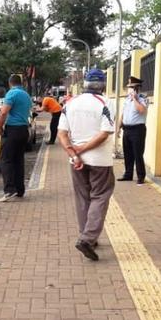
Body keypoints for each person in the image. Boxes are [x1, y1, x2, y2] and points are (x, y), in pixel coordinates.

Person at [57, 68, 115, 261]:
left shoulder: (71, 103)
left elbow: (62, 133)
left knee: (83, 198)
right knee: (100, 196)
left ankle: (86, 235)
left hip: (76, 160)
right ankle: (88, 239)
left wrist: (73, 153)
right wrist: (81, 150)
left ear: (85, 84)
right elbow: (104, 133)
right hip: (100, 160)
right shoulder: (106, 103)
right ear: (103, 85)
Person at [0, 74, 33, 202]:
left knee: (5, 160)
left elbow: (4, 112)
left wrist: (0, 126)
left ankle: (9, 190)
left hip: (13, 129)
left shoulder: (12, 94)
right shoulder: (26, 95)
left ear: (10, 83)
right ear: (21, 82)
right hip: (24, 130)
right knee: (18, 160)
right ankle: (20, 189)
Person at [117, 76, 148, 185]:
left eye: (131, 87)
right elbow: (123, 114)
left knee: (137, 154)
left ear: (137, 88)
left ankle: (140, 176)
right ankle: (128, 174)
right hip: (127, 129)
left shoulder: (143, 99)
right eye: (129, 87)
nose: (129, 89)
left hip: (137, 130)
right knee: (127, 153)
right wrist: (119, 127)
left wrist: (135, 98)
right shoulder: (126, 100)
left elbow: (142, 111)